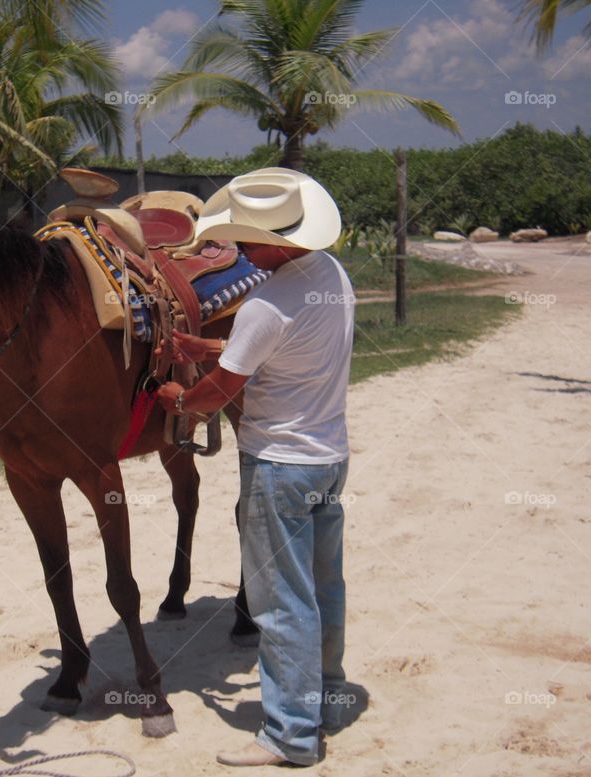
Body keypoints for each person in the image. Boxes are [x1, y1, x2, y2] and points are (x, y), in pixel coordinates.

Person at [156, 168, 355, 767]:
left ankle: (291, 734)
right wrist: (214, 347)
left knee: (280, 603)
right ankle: (329, 697)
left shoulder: (264, 303)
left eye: (244, 239)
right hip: (327, 457)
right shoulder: (328, 275)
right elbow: (287, 345)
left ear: (271, 241)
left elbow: (217, 394)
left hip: (278, 468)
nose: (237, 249)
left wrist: (182, 403)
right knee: (323, 587)